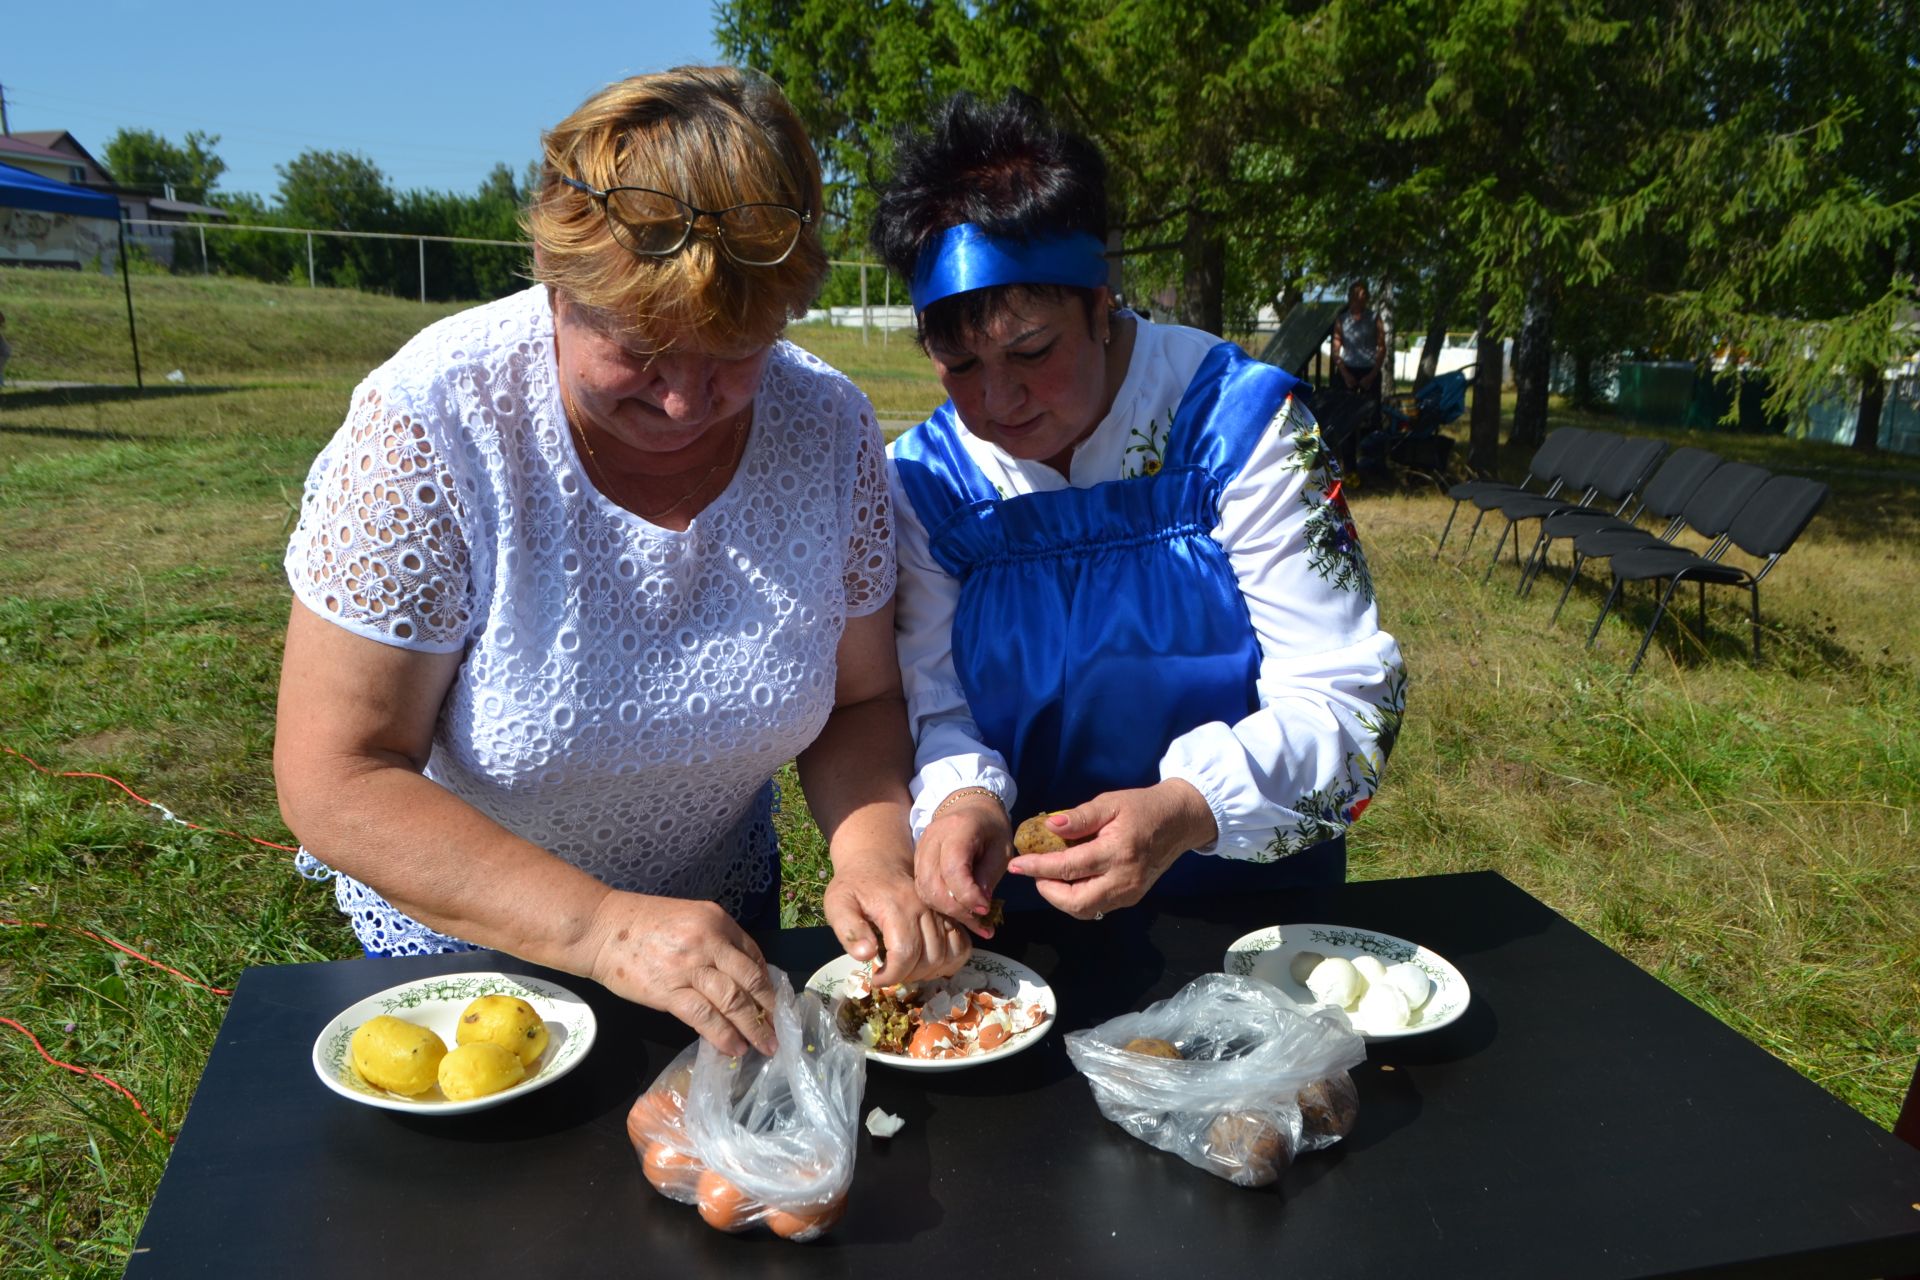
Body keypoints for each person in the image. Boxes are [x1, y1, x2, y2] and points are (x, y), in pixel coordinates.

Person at [273, 67, 968, 1059]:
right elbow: (334, 773)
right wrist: (600, 925)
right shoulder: (436, 424)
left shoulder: (828, 425)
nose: (687, 401)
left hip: (716, 928)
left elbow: (860, 700)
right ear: (557, 286)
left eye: (735, 351)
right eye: (641, 349)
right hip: (465, 964)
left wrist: (869, 852)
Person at [871, 94, 1407, 931]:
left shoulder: (1237, 427)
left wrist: (1188, 807)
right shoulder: (928, 480)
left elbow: (1346, 698)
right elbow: (936, 706)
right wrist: (962, 799)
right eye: (957, 361)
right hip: (1026, 923)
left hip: (1246, 908)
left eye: (1032, 350)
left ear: (1101, 300)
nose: (997, 399)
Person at [1329, 279, 1387, 473]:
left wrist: (1372, 374)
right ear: (1351, 298)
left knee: (1372, 418)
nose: (1360, 301)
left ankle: (1373, 464)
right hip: (1348, 371)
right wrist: (1345, 374)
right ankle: (1349, 467)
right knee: (1347, 420)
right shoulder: (1342, 319)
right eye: (1356, 297)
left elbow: (1381, 347)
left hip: (1369, 371)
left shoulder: (1374, 318)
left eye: (1363, 297)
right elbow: (1336, 350)